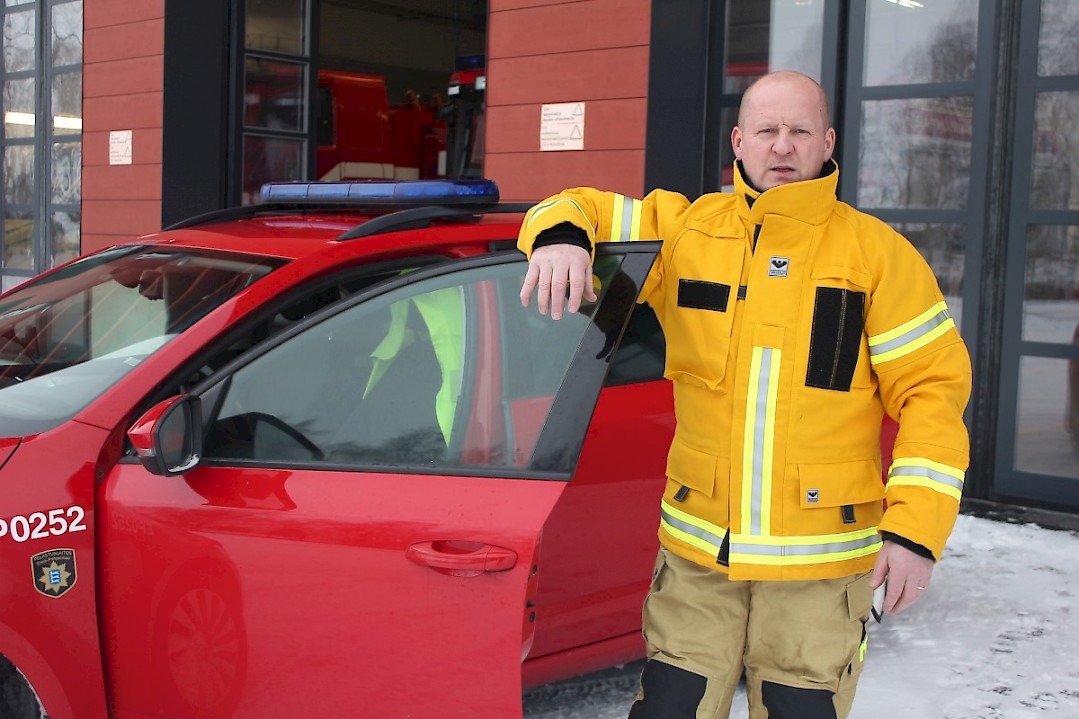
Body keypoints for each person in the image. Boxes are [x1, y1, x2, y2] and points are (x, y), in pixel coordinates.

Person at [516, 71, 971, 719]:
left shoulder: (879, 257)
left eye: (799, 130)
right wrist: (561, 239)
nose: (782, 146)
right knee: (671, 708)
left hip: (821, 566)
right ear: (738, 141)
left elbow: (932, 394)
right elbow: (573, 205)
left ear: (827, 142)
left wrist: (915, 534)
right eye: (766, 130)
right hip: (699, 557)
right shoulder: (687, 231)